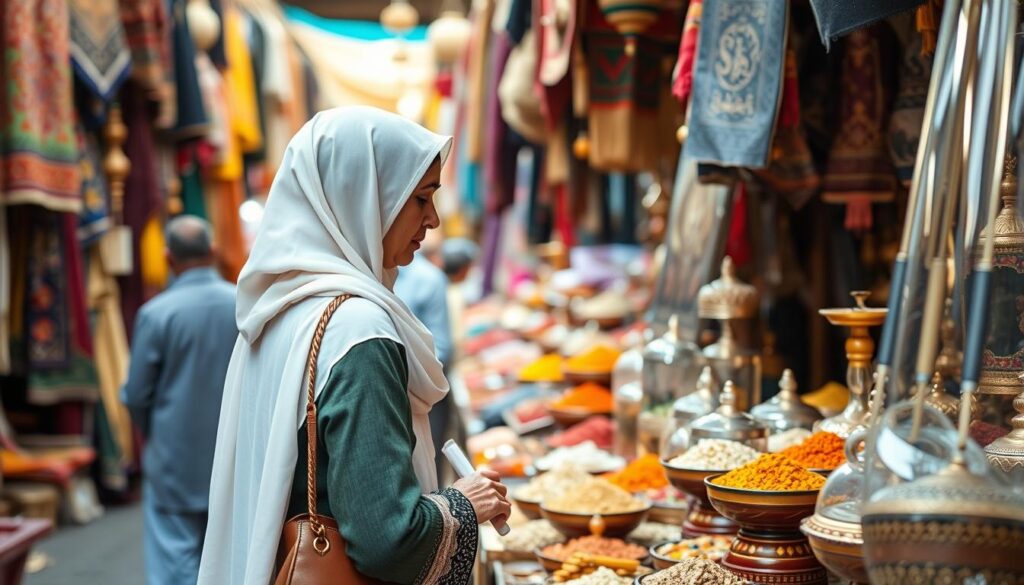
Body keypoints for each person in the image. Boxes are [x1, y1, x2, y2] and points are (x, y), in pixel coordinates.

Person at [198, 106, 510, 585]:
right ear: (362, 197)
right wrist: (466, 502)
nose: (432, 219)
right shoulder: (359, 330)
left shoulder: (279, 309)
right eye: (420, 198)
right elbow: (387, 540)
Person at [121, 216, 237, 585]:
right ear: (213, 251)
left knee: (176, 561)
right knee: (230, 556)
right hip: (233, 453)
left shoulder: (156, 314)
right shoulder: (243, 304)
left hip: (174, 457)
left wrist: (155, 433)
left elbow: (136, 394)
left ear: (168, 257)